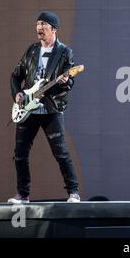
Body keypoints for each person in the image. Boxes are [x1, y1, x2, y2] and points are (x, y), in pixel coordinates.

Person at [8, 11, 80, 203]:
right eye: (38, 24)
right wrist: (18, 93)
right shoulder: (32, 50)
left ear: (53, 29)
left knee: (61, 152)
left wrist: (65, 81)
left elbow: (68, 83)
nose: (39, 27)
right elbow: (15, 76)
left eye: (43, 24)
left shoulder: (64, 52)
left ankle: (73, 192)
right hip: (28, 109)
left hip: (51, 108)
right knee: (20, 154)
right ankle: (23, 194)